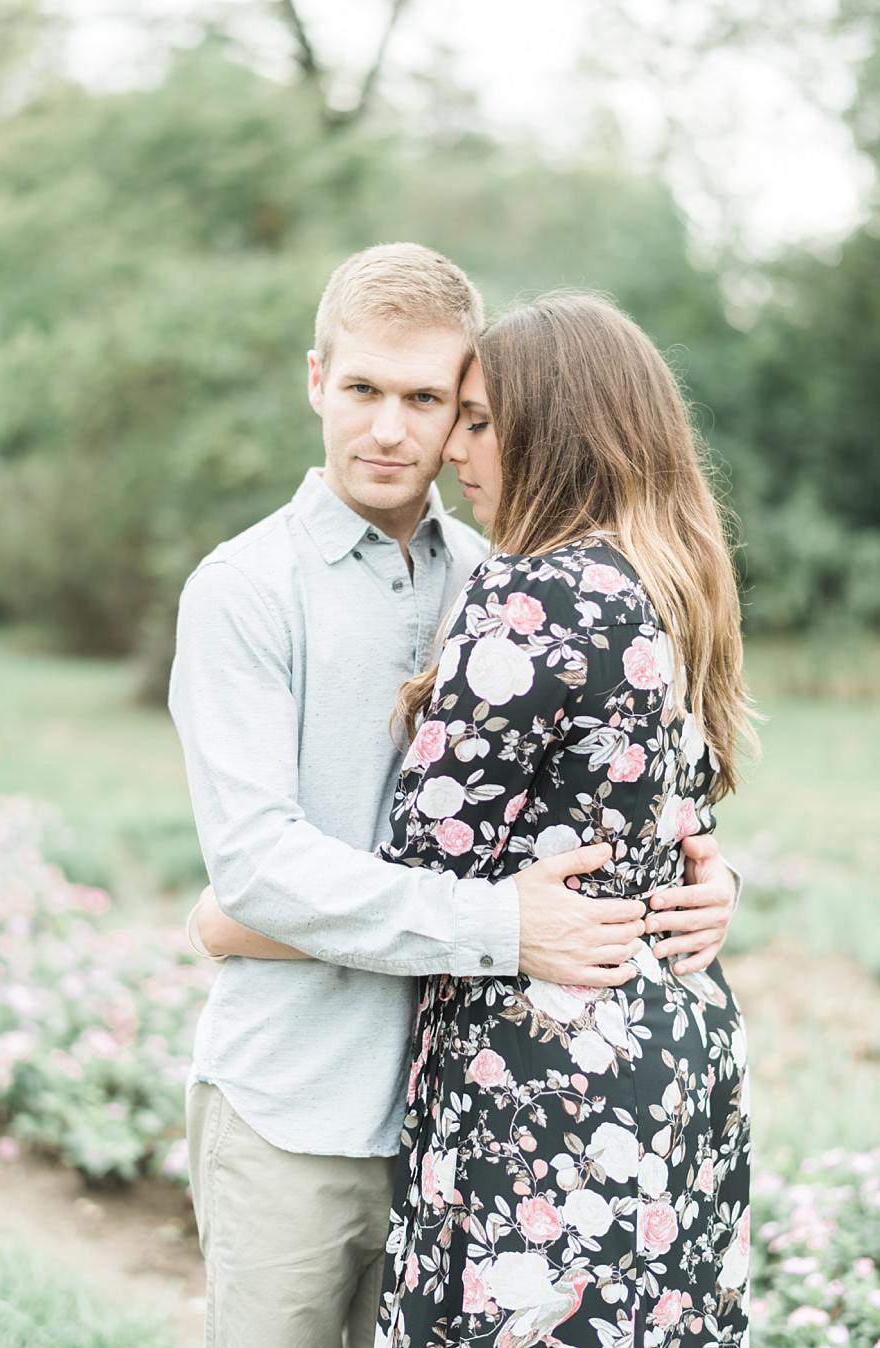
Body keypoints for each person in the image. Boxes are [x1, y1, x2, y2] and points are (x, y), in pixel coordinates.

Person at [170, 245, 740, 1348]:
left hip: (470, 1121)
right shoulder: (244, 591)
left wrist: (703, 886)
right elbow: (257, 867)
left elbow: (613, 789)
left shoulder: (504, 579)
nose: (390, 428)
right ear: (315, 381)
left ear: (468, 406)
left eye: (427, 399)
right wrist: (502, 925)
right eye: (363, 390)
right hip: (299, 1103)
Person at [367, 293, 757, 1345]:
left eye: (483, 420)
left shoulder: (533, 597)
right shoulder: (672, 586)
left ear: (559, 430)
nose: (454, 448)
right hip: (675, 1042)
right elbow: (686, 818)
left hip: (543, 1067)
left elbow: (414, 864)